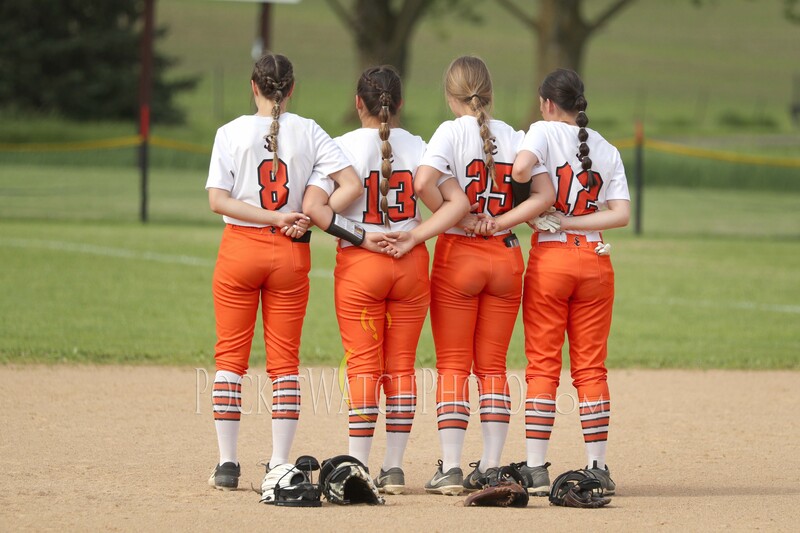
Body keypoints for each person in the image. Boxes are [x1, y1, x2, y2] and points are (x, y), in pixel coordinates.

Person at [382, 56, 554, 496]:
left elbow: (423, 182)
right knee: (493, 367)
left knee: (454, 365)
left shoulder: (449, 132)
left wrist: (457, 215)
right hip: (505, 254)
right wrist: (499, 221)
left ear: (450, 94)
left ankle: (453, 467)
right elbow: (543, 194)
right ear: (489, 92)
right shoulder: (514, 135)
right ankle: (492, 467)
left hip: (460, 254)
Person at [205, 53, 363, 491]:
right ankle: (278, 462)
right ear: (291, 89)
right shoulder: (308, 130)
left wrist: (270, 217)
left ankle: (227, 463)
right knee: (285, 363)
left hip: (240, 247)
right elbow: (352, 184)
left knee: (230, 359)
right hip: (291, 251)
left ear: (253, 86)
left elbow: (218, 200)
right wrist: (309, 215)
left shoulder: (230, 131)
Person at [301, 66, 428, 495]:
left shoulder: (341, 146)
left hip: (362, 261)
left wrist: (361, 235)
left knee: (363, 364)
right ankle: (394, 468)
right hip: (410, 259)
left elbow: (316, 208)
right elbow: (444, 197)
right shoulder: (419, 146)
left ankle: (358, 462)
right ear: (401, 103)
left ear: (358, 103)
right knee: (402, 365)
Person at [510, 68, 630, 497]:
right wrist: (576, 221)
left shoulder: (542, 130)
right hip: (595, 259)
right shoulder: (606, 147)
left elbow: (521, 167)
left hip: (552, 258)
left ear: (547, 103)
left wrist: (536, 207)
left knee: (544, 364)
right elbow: (620, 214)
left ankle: (536, 467)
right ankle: (597, 466)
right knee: (591, 367)